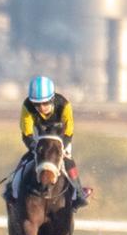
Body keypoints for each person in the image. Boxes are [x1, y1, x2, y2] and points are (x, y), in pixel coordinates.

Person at [8, 75, 90, 208]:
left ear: (52, 99)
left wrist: (62, 148)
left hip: (61, 139)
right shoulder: (27, 106)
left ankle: (79, 193)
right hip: (39, 138)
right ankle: (12, 191)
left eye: (45, 103)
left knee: (67, 160)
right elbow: (27, 133)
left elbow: (69, 130)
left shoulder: (64, 104)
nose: (41, 107)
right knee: (26, 161)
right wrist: (34, 148)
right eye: (37, 104)